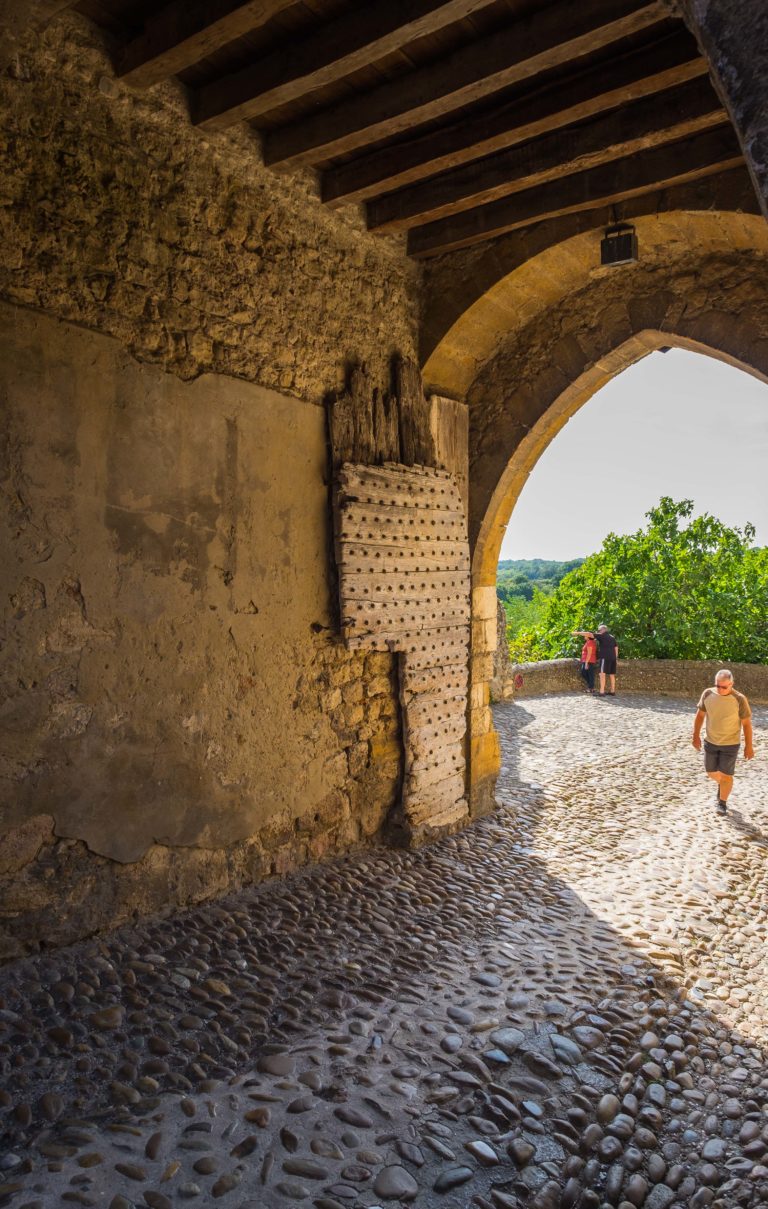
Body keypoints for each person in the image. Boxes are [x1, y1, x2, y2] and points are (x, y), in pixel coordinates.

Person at [692, 668, 754, 813]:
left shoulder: (740, 699)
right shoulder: (708, 694)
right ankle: (724, 784)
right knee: (711, 772)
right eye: (717, 685)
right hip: (711, 741)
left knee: (726, 775)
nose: (719, 689)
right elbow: (700, 716)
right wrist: (695, 736)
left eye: (723, 687)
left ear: (731, 684)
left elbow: (746, 724)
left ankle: (722, 803)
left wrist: (749, 746)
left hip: (730, 744)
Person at [573, 623, 618, 696]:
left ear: (603, 630)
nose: (598, 631)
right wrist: (615, 658)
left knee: (602, 674)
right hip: (613, 658)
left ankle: (601, 692)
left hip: (605, 657)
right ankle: (612, 691)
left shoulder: (602, 635)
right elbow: (616, 648)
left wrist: (577, 633)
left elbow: (589, 634)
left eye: (599, 630)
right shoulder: (612, 637)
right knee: (612, 674)